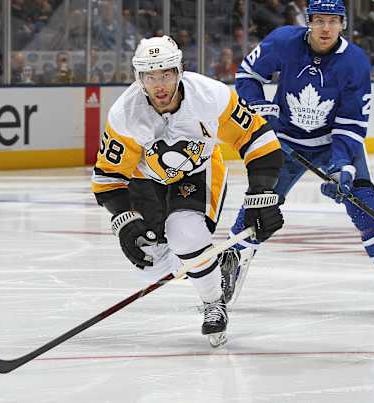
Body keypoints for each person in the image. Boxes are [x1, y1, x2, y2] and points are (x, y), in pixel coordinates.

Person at [91, 35, 284, 347]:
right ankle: (219, 264)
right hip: (147, 181)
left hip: (197, 173)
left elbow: (258, 140)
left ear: (179, 71)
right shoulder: (125, 114)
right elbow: (108, 178)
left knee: (186, 235)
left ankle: (213, 302)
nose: (160, 85)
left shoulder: (210, 96)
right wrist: (125, 222)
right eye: (150, 76)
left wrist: (262, 196)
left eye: (166, 73)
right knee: (152, 265)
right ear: (139, 77)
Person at [226, 0, 374, 314]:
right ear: (309, 22)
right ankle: (228, 268)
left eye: (333, 21)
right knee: (259, 205)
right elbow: (247, 75)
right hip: (285, 140)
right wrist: (263, 113)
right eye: (319, 21)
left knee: (365, 205)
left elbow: (352, 122)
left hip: (331, 143)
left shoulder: (355, 61)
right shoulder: (283, 41)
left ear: (343, 24)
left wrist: (341, 166)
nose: (326, 28)